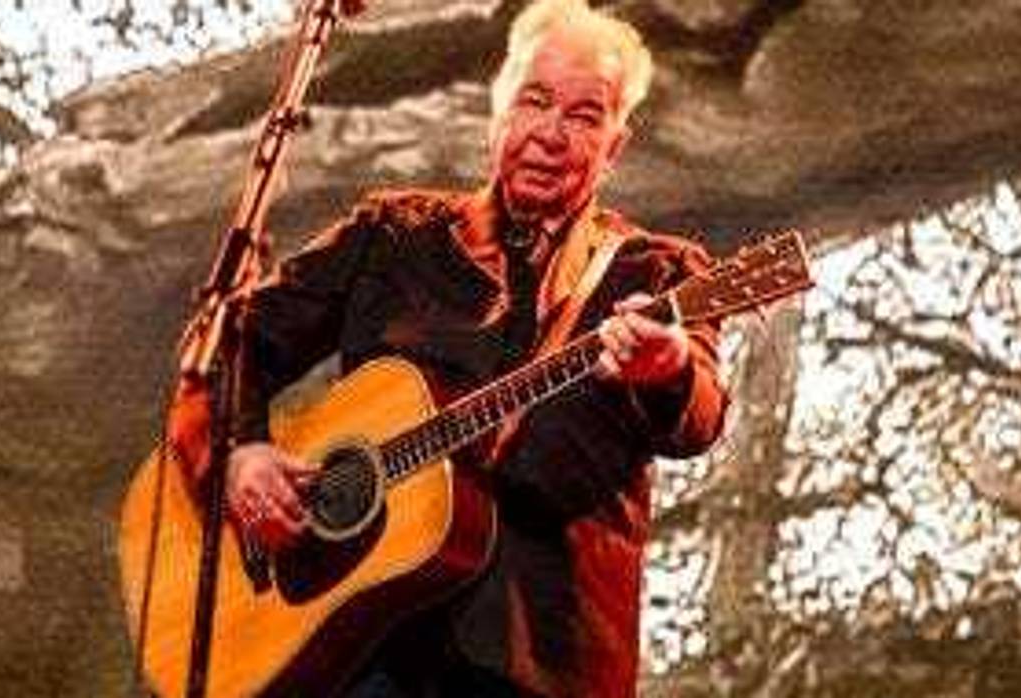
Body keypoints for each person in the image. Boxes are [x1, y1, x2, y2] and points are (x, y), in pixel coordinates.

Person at [210, 0, 728, 695]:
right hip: (353, 645)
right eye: (534, 101)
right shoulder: (391, 234)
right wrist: (242, 452)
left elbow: (700, 417)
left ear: (615, 145)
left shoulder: (657, 272)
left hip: (536, 661)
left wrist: (665, 369)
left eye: (583, 116)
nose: (549, 132)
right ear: (499, 110)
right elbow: (228, 344)